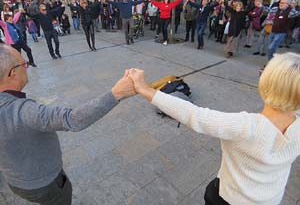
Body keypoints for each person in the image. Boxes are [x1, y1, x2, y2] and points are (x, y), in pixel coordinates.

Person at [128, 52, 300, 205]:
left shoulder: (246, 126)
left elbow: (194, 115)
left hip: (230, 199)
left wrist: (145, 89)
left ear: (267, 84)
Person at [0, 44, 136, 205]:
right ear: (13, 74)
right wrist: (117, 93)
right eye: (24, 64)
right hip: (43, 184)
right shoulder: (23, 111)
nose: (27, 67)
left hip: (15, 181)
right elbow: (73, 119)